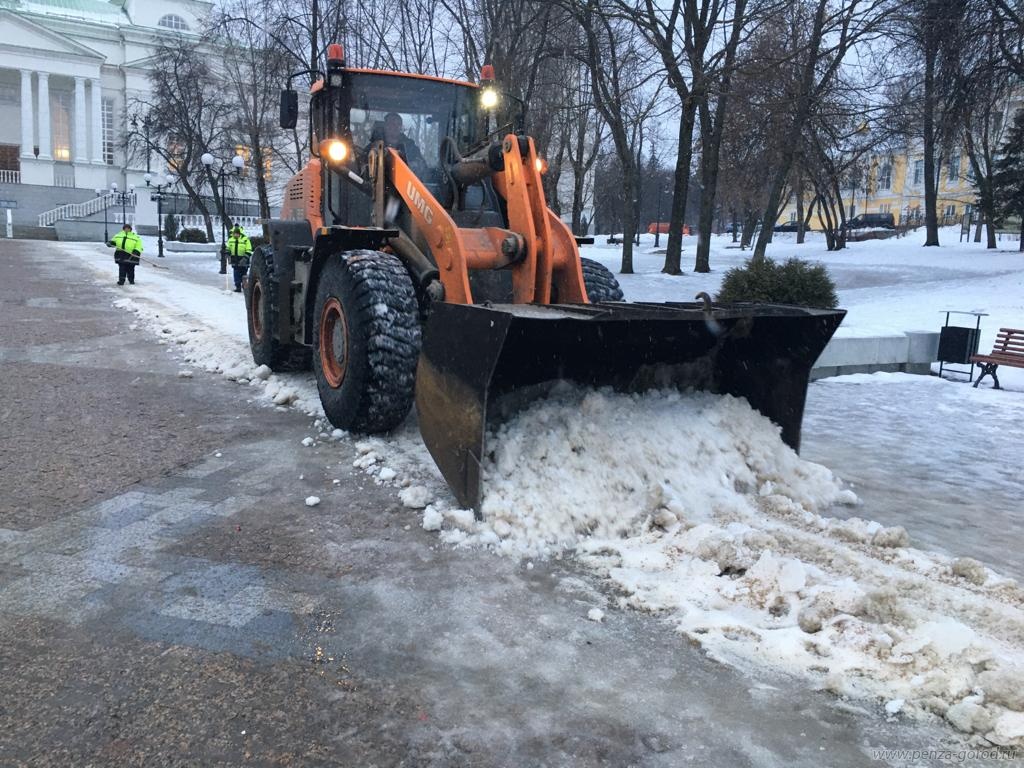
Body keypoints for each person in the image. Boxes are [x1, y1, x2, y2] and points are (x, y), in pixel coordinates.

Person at [226, 225, 253, 292]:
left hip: (244, 260)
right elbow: (228, 248)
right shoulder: (230, 240)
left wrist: (245, 258)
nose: (236, 235)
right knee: (236, 274)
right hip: (235, 260)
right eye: (234, 234)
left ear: (239, 234)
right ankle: (238, 286)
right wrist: (228, 255)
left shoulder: (245, 239)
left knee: (244, 274)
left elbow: (249, 250)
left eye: (237, 234)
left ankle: (244, 286)